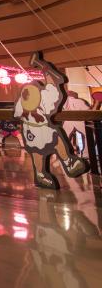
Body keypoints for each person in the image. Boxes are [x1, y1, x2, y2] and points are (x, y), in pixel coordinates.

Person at [14, 53, 90, 189]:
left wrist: (42, 66)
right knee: (54, 143)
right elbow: (53, 85)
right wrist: (43, 67)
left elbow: (52, 87)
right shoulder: (40, 101)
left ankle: (44, 173)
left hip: (33, 133)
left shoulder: (23, 103)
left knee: (42, 151)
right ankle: (65, 163)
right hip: (41, 131)